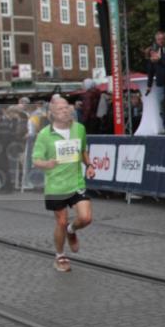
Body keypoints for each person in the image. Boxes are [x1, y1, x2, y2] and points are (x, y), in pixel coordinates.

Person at [31, 96, 96, 272]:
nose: (65, 111)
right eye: (60, 109)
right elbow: (36, 160)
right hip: (56, 185)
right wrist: (47, 164)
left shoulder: (79, 129)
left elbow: (83, 150)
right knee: (60, 221)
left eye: (67, 107)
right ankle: (60, 255)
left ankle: (71, 230)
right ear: (52, 113)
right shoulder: (45, 134)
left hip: (76, 182)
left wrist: (89, 165)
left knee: (86, 218)